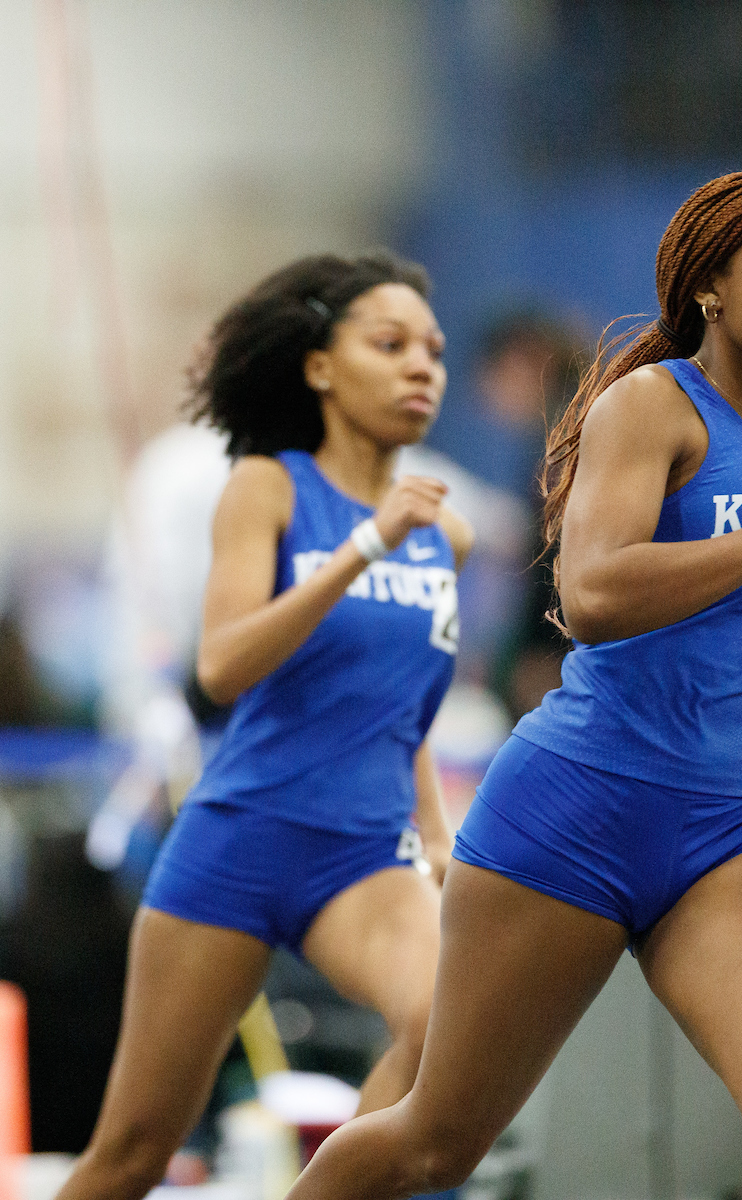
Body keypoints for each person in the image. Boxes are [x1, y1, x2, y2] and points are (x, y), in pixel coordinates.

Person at [288, 169, 742, 1200]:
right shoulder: (652, 408)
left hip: (735, 827)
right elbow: (598, 589)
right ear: (709, 286)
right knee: (436, 1141)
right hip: (578, 811)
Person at [55, 251, 472, 1200]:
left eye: (435, 352)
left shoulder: (446, 533)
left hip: (365, 859)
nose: (422, 368)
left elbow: (404, 705)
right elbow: (224, 662)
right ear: (320, 367)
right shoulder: (268, 488)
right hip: (240, 843)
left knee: (452, 1031)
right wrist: (365, 545)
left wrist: (438, 836)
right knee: (132, 1154)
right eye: (391, 343)